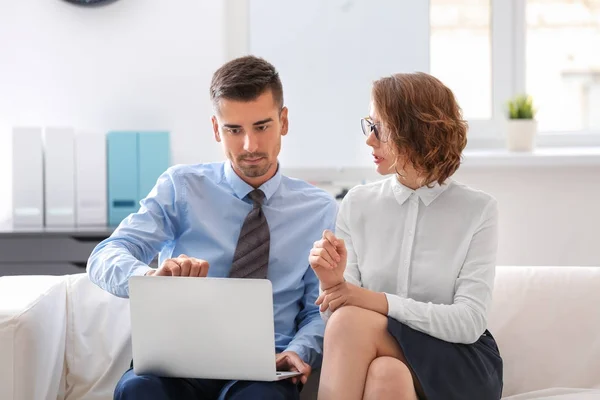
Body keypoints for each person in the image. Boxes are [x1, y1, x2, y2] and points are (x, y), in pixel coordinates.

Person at [87, 55, 337, 400]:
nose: (249, 146)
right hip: (176, 361)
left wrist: (301, 350)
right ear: (217, 129)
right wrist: (148, 279)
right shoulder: (181, 187)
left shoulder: (320, 209)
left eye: (261, 127)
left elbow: (319, 307)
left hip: (265, 366)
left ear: (284, 121)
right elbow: (104, 255)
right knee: (139, 392)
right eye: (234, 130)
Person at [309, 72, 503, 400]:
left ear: (414, 132)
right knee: (386, 373)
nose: (369, 140)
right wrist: (331, 284)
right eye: (369, 125)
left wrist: (376, 301)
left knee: (349, 325)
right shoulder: (357, 203)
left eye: (379, 128)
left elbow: (469, 321)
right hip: (386, 355)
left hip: (459, 361)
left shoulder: (478, 210)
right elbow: (337, 314)